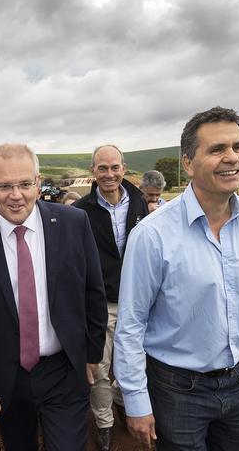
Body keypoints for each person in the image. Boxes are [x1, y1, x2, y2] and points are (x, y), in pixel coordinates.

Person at [114, 106, 239, 450]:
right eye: (216, 149)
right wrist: (137, 401)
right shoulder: (153, 234)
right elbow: (131, 325)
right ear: (187, 163)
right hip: (176, 389)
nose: (232, 158)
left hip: (238, 380)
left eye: (238, 147)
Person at [0, 143, 108, 451]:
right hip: (6, 376)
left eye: (24, 184)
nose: (16, 195)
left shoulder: (73, 224)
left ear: (38, 181)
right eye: (4, 186)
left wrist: (91, 352)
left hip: (63, 370)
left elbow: (93, 292)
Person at [74, 145, 149, 450]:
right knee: (100, 366)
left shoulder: (140, 203)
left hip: (138, 301)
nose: (109, 174)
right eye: (102, 168)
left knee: (136, 362)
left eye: (115, 167)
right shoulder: (80, 211)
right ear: (93, 171)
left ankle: (125, 402)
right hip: (100, 303)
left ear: (124, 168)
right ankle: (104, 423)